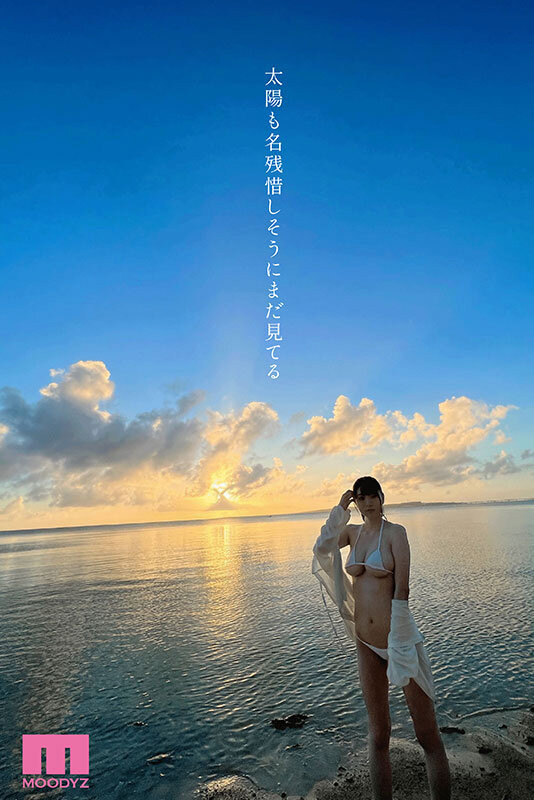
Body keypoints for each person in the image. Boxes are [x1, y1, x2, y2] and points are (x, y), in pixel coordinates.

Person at [312, 476, 451, 800]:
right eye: (360, 498)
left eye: (372, 496)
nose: (367, 502)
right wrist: (339, 511)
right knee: (378, 735)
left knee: (426, 734)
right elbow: (322, 548)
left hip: (399, 641)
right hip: (365, 643)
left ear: (381, 497)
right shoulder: (353, 533)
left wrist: (399, 644)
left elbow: (402, 591)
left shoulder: (395, 534)